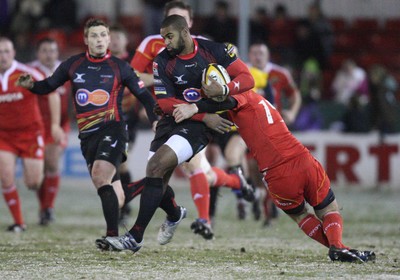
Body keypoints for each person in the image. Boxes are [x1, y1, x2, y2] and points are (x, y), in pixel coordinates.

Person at [168, 23, 376, 263]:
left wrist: (195, 104)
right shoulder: (253, 96)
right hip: (301, 159)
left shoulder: (238, 99)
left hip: (276, 176)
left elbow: (222, 103)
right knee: (329, 209)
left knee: (300, 217)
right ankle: (338, 245)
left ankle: (337, 248)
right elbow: (226, 102)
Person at [104, 14, 255, 252]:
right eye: (163, 37)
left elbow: (247, 78)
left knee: (155, 167)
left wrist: (225, 89)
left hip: (197, 127)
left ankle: (135, 236)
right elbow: (164, 103)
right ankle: (175, 214)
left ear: (185, 32)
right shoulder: (161, 61)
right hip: (175, 120)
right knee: (157, 177)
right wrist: (202, 114)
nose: (165, 42)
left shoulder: (213, 50)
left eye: (169, 36)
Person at [16, 19, 158, 245]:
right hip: (87, 136)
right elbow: (49, 86)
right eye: (94, 36)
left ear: (109, 38)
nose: (99, 40)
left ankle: (112, 237)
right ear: (85, 40)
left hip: (114, 129)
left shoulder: (120, 67)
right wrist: (31, 85)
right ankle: (158, 189)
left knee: (100, 175)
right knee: (116, 196)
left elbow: (145, 97)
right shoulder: (73, 65)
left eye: (103, 35)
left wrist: (155, 119)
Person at [0, 36, 62, 232]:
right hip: (4, 136)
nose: (2, 56)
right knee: (6, 176)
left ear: (14, 53)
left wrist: (54, 124)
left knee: (33, 182)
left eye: (6, 51)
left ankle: (45, 206)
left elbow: (51, 93)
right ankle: (19, 222)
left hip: (30, 133)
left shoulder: (24, 74)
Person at [248, 42, 301, 226]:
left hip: (273, 128)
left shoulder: (279, 74)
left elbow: (295, 94)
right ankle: (259, 195)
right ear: (249, 55)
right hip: (251, 129)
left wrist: (292, 112)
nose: (258, 56)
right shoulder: (244, 73)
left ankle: (268, 206)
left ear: (268, 55)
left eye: (261, 53)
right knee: (253, 167)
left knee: (271, 169)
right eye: (254, 53)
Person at [29, 37, 71, 225]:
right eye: (45, 51)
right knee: (38, 174)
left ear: (57, 53)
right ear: (38, 53)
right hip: (35, 127)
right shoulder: (29, 72)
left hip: (59, 125)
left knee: (52, 162)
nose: (49, 55)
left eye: (52, 51)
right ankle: (44, 208)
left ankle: (48, 208)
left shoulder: (67, 71)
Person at [109, 24, 139, 224]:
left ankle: (123, 206)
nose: (115, 41)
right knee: (115, 164)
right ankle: (123, 205)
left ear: (126, 41)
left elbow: (147, 85)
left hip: (129, 120)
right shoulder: (103, 62)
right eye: (111, 37)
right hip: (107, 120)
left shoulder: (136, 62)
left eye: (118, 37)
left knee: (118, 162)